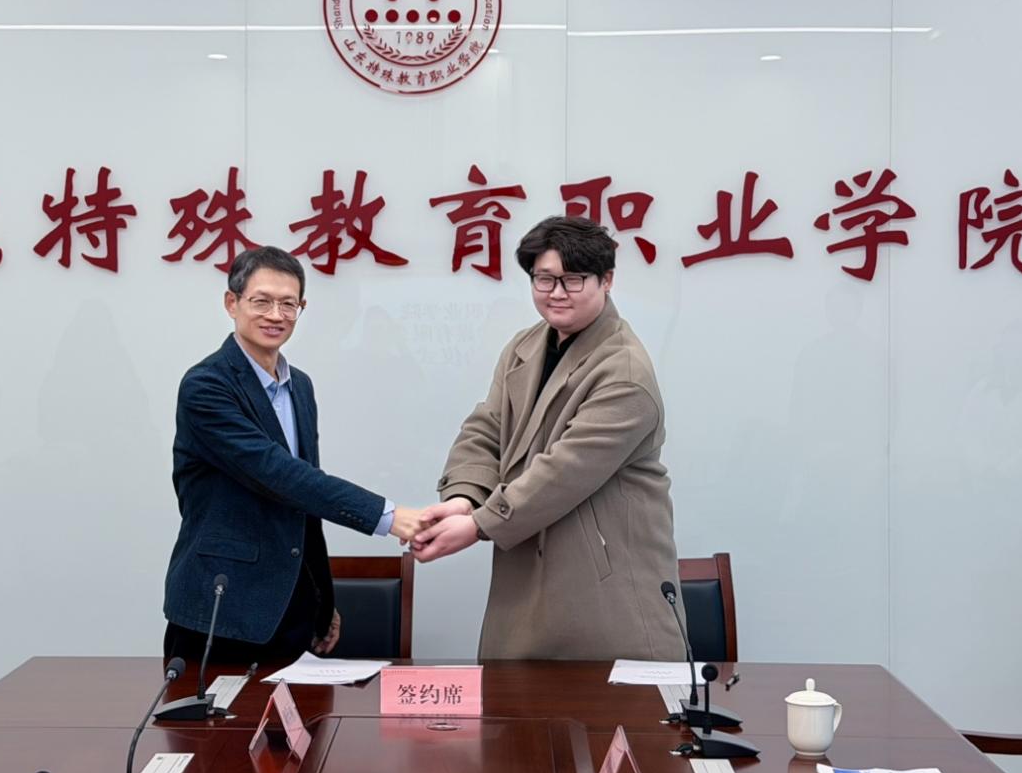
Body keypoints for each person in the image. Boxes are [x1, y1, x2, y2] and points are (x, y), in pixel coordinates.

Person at [413, 215, 687, 660]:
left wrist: (478, 525)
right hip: (528, 573)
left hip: (604, 593)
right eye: (544, 279)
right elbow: (486, 426)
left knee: (606, 703)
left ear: (607, 280)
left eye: (573, 279)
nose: (557, 292)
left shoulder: (625, 372)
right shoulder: (525, 346)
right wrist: (464, 496)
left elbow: (563, 472)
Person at [163, 246, 423, 664]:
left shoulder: (298, 385)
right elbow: (278, 474)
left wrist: (322, 598)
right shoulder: (206, 386)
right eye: (261, 301)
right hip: (222, 610)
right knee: (214, 712)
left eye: (288, 304)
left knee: (302, 710)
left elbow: (303, 502)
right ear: (232, 303)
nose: (276, 315)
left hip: (291, 610)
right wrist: (389, 517)